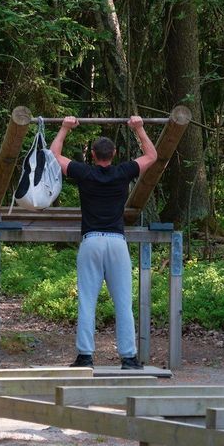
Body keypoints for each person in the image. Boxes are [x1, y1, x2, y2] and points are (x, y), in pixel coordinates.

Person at [50, 114, 158, 368]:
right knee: (123, 302)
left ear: (93, 155)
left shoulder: (84, 172)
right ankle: (129, 358)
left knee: (87, 300)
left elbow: (54, 155)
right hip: (116, 242)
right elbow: (152, 156)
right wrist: (139, 129)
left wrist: (65, 128)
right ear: (114, 153)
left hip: (91, 242)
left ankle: (85, 357)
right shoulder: (122, 172)